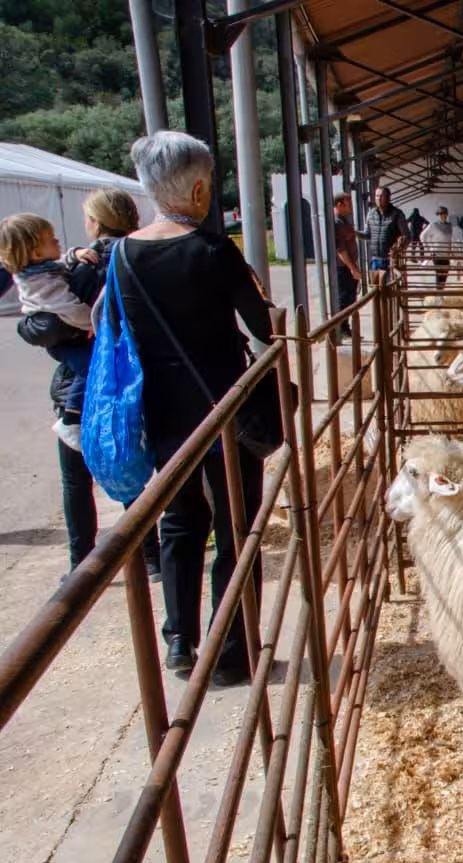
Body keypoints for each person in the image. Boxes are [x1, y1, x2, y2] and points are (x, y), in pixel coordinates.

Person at [119, 130, 278, 686]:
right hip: (224, 408)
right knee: (237, 527)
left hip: (162, 413)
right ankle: (231, 654)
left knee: (182, 523)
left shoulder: (122, 254)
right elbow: (266, 328)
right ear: (201, 187)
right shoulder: (213, 251)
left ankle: (180, 643)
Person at [1, 198, 161, 581]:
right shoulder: (138, 254)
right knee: (129, 465)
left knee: (76, 478)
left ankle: (83, 566)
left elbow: (46, 328)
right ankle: (150, 555)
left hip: (84, 388)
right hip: (131, 378)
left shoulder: (84, 270)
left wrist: (35, 329)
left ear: (95, 222)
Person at [362, 185, 407, 285]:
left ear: (388, 197)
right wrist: (354, 233)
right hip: (375, 259)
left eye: (382, 196)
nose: (379, 198)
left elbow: (407, 236)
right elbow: (367, 234)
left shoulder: (397, 214)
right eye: (377, 196)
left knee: (390, 289)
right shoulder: (370, 214)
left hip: (390, 260)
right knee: (376, 290)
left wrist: (400, 248)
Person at [331, 193, 360, 336]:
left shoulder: (344, 221)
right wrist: (352, 268)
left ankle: (345, 326)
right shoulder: (336, 223)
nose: (351, 206)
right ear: (339, 205)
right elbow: (340, 250)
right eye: (349, 203)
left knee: (350, 297)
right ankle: (342, 328)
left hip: (349, 266)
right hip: (343, 268)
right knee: (344, 297)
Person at [420, 205, 454, 288]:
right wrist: (428, 249)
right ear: (438, 215)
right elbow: (422, 236)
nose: (443, 216)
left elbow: (450, 240)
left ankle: (440, 292)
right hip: (437, 254)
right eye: (441, 214)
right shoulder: (433, 225)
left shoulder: (449, 225)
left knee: (445, 274)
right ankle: (438, 295)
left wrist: (451, 251)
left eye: (445, 214)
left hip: (446, 255)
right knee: (439, 274)